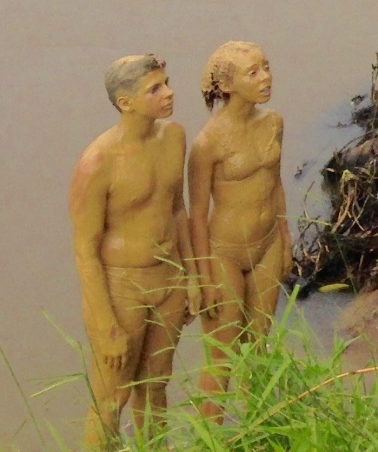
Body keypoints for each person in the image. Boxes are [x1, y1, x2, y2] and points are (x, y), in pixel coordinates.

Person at [68, 55, 193, 448]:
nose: (169, 93)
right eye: (155, 89)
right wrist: (105, 326)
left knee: (156, 386)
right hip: (122, 286)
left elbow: (178, 208)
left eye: (167, 82)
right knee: (111, 397)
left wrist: (192, 276)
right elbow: (85, 251)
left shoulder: (174, 136)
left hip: (169, 278)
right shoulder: (97, 162)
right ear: (126, 103)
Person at [188, 41, 289, 421]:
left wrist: (285, 236)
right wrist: (202, 277)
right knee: (221, 356)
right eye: (253, 72)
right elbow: (197, 214)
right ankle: (209, 438)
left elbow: (276, 183)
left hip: (267, 246)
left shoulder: (274, 122)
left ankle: (258, 431)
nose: (266, 77)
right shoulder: (207, 142)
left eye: (266, 66)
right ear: (228, 86)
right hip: (224, 253)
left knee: (259, 345)